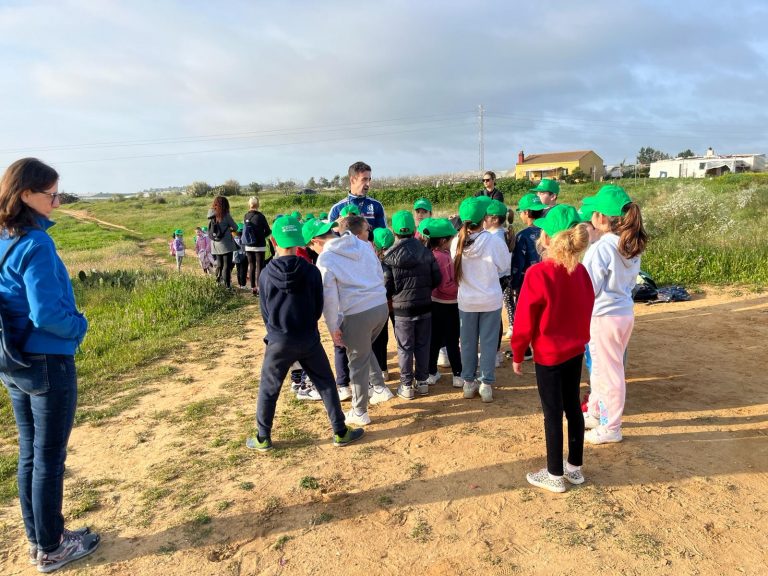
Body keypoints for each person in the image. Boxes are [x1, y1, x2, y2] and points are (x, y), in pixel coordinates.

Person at [0, 158, 100, 571]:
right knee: (49, 458)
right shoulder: (37, 243)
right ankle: (53, 547)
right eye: (51, 194)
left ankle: (39, 538)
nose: (56, 202)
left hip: (14, 358)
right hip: (47, 360)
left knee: (30, 454)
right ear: (26, 194)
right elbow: (47, 313)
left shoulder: (5, 237)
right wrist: (79, 326)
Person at [246, 216, 364, 451]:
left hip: (279, 339)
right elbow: (318, 305)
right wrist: (308, 326)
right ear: (300, 241)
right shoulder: (311, 271)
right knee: (326, 383)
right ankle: (339, 431)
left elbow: (265, 312)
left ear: (273, 241)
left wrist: (275, 331)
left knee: (269, 388)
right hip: (308, 338)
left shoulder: (266, 274)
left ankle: (263, 437)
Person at [511, 204, 595, 494]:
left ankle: (554, 473)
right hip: (574, 351)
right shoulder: (581, 272)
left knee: (552, 413)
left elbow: (524, 320)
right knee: (572, 406)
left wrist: (518, 352)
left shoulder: (538, 273)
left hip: (549, 354)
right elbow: (587, 309)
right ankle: (574, 468)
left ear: (546, 238)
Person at [305, 217, 389, 425]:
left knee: (357, 361)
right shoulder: (362, 244)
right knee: (363, 349)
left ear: (316, 241)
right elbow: (379, 272)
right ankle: (379, 387)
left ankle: (360, 411)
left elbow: (330, 299)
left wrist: (333, 327)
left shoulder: (325, 259)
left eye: (310, 246)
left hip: (356, 313)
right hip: (380, 306)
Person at [581, 185, 648, 445]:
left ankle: (611, 426)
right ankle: (597, 412)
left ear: (601, 218)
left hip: (604, 316)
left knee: (609, 372)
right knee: (601, 367)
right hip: (621, 313)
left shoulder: (601, 248)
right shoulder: (628, 243)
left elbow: (588, 286)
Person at [451, 197, 510, 403]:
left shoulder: (455, 242)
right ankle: (486, 385)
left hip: (467, 302)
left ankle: (468, 383)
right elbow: (504, 267)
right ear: (484, 218)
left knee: (466, 343)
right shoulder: (494, 240)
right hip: (490, 300)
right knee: (488, 342)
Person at [383, 211, 441, 399]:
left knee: (405, 347)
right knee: (423, 344)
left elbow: (387, 286)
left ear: (394, 231)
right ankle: (422, 382)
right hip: (425, 305)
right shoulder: (426, 252)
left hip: (402, 310)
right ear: (414, 228)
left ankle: (406, 385)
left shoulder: (388, 257)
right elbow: (436, 279)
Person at [419, 218, 463, 388]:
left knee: (435, 339)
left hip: (433, 303)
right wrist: (460, 290)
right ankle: (457, 374)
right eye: (451, 238)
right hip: (449, 303)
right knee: (452, 340)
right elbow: (446, 285)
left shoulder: (428, 254)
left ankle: (431, 372)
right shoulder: (443, 258)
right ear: (444, 240)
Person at [509, 194, 546, 351]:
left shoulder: (522, 236)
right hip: (548, 280)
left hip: (528, 282)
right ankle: (541, 345)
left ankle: (526, 350)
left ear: (526, 213)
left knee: (525, 315)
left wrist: (514, 283)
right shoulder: (549, 231)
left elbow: (518, 263)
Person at [484, 200, 511, 368]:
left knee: (492, 318)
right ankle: (496, 352)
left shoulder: (494, 237)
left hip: (496, 278)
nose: (483, 220)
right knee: (495, 317)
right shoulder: (502, 233)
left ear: (494, 219)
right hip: (502, 278)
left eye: (485, 217)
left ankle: (494, 353)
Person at [328, 161, 387, 233]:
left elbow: (383, 236)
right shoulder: (336, 209)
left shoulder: (376, 206)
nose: (368, 184)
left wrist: (367, 229)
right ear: (352, 180)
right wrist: (336, 228)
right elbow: (329, 240)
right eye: (364, 179)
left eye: (369, 179)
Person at [371, 227, 395, 382]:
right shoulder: (397, 257)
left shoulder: (373, 260)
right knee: (401, 336)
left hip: (381, 303)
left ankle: (383, 369)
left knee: (381, 337)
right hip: (397, 301)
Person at [207, 196, 239, 288]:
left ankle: (217, 282)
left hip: (215, 243)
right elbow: (236, 227)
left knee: (219, 264)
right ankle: (227, 286)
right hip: (226, 244)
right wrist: (229, 229)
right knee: (226, 265)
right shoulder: (225, 215)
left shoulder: (211, 214)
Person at [242, 196, 271, 296]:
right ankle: (259, 288)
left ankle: (252, 287)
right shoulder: (261, 216)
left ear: (249, 204)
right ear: (257, 204)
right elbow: (268, 231)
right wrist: (262, 237)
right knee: (259, 266)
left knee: (252, 265)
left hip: (248, 245)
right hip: (259, 245)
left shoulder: (246, 216)